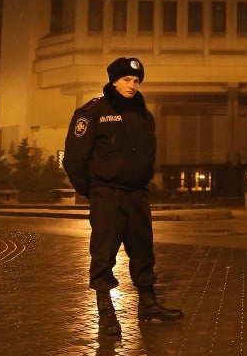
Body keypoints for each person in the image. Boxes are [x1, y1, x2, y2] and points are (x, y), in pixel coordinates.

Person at [63, 57, 184, 337]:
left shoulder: (145, 115)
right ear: (113, 81)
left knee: (143, 250)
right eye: (127, 80)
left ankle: (148, 304)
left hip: (138, 194)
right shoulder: (92, 112)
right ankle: (106, 312)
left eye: (136, 81)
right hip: (108, 194)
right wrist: (93, 191)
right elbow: (73, 159)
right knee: (104, 254)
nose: (132, 85)